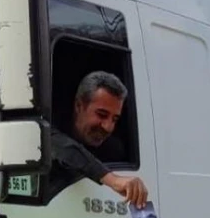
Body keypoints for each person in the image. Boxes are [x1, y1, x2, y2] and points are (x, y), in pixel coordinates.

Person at [48, 70, 148, 207]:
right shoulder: (52, 127)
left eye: (115, 119)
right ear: (79, 106)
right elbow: (61, 146)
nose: (108, 127)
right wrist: (112, 179)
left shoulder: (113, 149)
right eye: (101, 114)